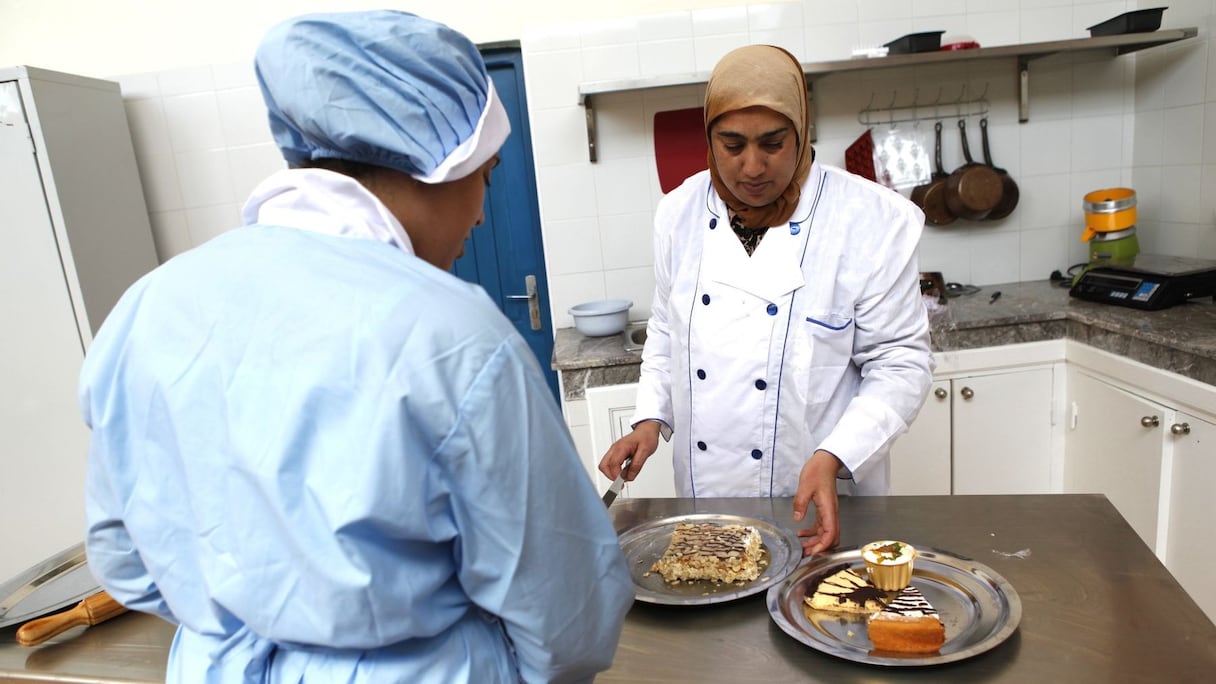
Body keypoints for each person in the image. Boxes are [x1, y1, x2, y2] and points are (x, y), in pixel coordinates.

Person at [80, 11, 633, 683]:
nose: (482, 212)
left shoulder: (149, 306)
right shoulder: (453, 334)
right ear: (441, 164)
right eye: (485, 177)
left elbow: (125, 562)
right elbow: (568, 612)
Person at [598, 44, 934, 557]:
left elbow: (900, 364)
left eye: (772, 143)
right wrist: (649, 420)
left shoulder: (870, 222)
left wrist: (836, 455)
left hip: (816, 494)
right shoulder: (679, 214)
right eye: (731, 145)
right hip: (710, 499)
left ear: (802, 132)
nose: (752, 167)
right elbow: (667, 333)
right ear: (708, 139)